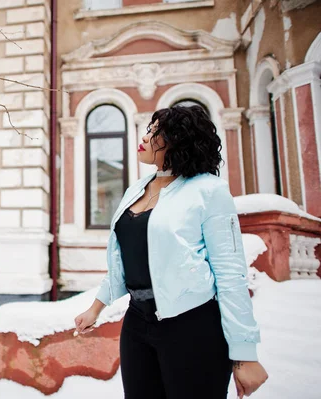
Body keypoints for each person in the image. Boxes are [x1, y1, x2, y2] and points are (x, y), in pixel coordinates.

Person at [74, 105, 268, 399]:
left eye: (155, 132)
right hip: (137, 324)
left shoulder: (209, 191)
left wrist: (245, 353)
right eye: (149, 129)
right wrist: (95, 308)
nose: (145, 136)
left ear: (179, 140)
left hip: (192, 327)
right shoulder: (136, 190)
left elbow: (230, 274)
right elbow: (127, 260)